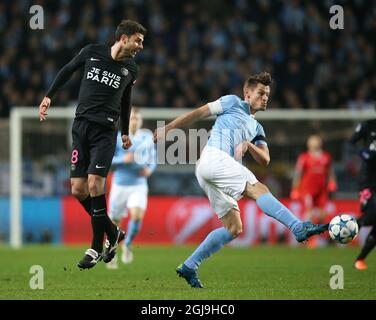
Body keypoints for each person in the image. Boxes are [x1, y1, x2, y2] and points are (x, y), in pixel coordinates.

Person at [154, 72, 328, 288]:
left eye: (267, 94)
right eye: (261, 93)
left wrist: (249, 144)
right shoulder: (231, 102)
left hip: (208, 169)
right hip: (214, 158)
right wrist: (169, 128)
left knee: (234, 228)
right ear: (247, 93)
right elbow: (198, 113)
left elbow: (265, 159)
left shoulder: (257, 128)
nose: (265, 98)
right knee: (259, 189)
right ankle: (297, 226)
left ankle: (190, 265)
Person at [38, 20, 147, 269]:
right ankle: (114, 232)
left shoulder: (131, 69)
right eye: (138, 41)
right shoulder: (92, 52)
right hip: (81, 128)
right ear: (123, 38)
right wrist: (48, 97)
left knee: (95, 184)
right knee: (78, 189)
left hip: (105, 132)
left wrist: (125, 132)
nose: (141, 46)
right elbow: (67, 70)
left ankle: (95, 247)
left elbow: (125, 101)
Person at [106, 107, 156, 269]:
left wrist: (150, 169)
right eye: (132, 118)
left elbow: (153, 159)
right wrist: (123, 160)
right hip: (120, 184)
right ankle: (111, 253)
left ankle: (127, 244)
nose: (135, 121)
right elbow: (108, 160)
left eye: (137, 118)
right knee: (115, 222)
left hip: (139, 183)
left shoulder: (147, 136)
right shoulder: (118, 136)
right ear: (127, 120)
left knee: (137, 216)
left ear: (141, 121)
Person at [291, 135, 337, 246]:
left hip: (322, 190)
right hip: (308, 191)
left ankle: (320, 238)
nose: (312, 144)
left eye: (315, 141)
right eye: (311, 142)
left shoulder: (326, 157)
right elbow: (298, 173)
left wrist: (332, 182)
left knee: (322, 215)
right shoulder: (304, 157)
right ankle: (304, 239)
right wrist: (295, 188)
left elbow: (330, 171)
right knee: (309, 214)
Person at [350, 120, 376, 270]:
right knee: (373, 212)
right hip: (368, 181)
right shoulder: (368, 126)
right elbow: (350, 143)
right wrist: (362, 152)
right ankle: (349, 226)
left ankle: (360, 260)